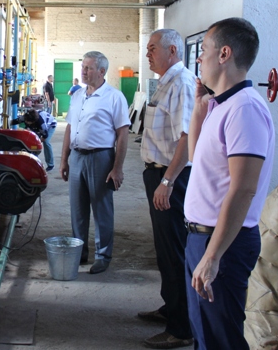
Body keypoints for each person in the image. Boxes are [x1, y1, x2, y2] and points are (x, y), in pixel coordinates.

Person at [184, 17, 274, 349]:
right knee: (205, 334)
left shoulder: (244, 109)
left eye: (204, 50)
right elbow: (196, 158)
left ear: (224, 54)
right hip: (202, 237)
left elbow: (244, 188)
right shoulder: (221, 105)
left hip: (223, 242)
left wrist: (213, 256)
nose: (199, 58)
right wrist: (199, 109)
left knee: (220, 339)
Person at [138, 29, 195, 349]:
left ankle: (181, 328)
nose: (148, 54)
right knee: (164, 250)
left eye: (152, 49)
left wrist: (167, 181)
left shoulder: (182, 84)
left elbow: (187, 139)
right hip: (158, 174)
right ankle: (170, 308)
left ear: (172, 50)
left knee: (174, 252)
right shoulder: (166, 82)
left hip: (172, 178)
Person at [60, 51, 130, 274]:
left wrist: (117, 168)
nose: (83, 71)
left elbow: (123, 134)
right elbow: (70, 127)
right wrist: (64, 160)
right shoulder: (77, 95)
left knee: (101, 208)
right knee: (77, 210)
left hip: (101, 158)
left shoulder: (114, 97)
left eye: (88, 68)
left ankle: (103, 255)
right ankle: (79, 252)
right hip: (77, 157)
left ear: (101, 71)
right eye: (83, 67)